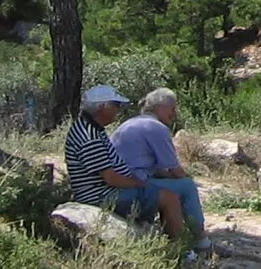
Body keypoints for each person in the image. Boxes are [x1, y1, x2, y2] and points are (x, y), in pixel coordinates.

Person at [63, 85, 188, 244]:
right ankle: (184, 249)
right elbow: (110, 177)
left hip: (102, 191)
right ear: (102, 107)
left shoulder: (90, 128)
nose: (118, 109)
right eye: (115, 105)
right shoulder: (89, 136)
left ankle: (170, 241)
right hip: (101, 196)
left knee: (159, 194)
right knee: (169, 198)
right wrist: (138, 184)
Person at [111, 88, 209, 252]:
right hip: (133, 183)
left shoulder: (131, 123)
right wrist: (185, 178)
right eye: (172, 108)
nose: (174, 113)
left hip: (123, 179)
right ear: (161, 107)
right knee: (187, 186)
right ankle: (201, 239)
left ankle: (176, 238)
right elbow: (175, 170)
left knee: (171, 189)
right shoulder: (155, 127)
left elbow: (150, 166)